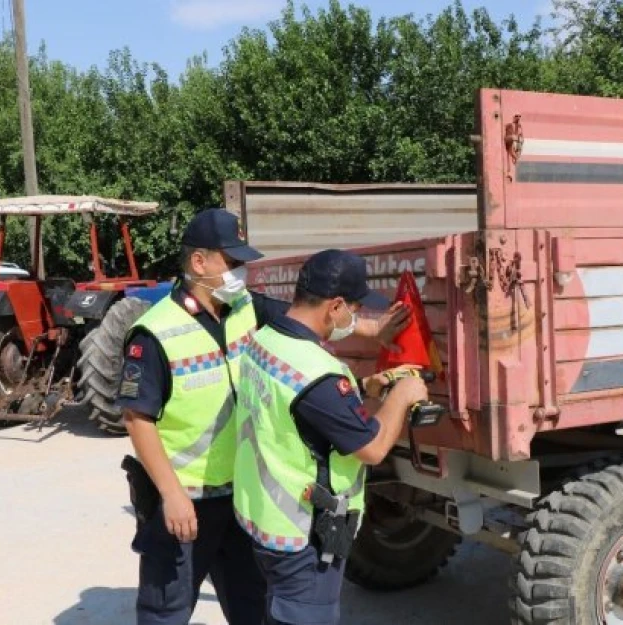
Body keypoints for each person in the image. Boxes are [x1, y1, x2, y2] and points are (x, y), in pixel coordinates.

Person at [115, 209, 409, 625]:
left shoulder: (244, 308)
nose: (241, 273)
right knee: (166, 610)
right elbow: (136, 419)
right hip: (185, 499)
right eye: (232, 263)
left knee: (250, 606)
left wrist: (372, 331)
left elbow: (304, 317)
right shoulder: (155, 332)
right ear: (199, 262)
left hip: (239, 496)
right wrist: (173, 495)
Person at [231, 248, 430, 625]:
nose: (355, 318)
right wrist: (402, 397)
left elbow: (303, 413)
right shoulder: (318, 373)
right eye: (354, 308)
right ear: (335, 306)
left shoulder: (265, 340)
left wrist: (365, 391)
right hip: (303, 538)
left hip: (264, 520)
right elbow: (371, 448)